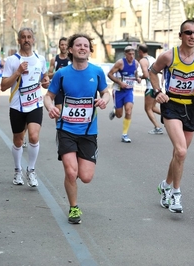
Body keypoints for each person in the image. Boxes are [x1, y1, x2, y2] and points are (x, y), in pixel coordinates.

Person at [44, 33, 110, 224]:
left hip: (89, 131)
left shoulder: (97, 72)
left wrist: (103, 100)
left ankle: (72, 175)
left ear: (89, 50)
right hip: (66, 129)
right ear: (71, 49)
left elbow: (106, 93)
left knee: (86, 177)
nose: (83, 48)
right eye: (78, 45)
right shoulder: (61, 74)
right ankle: (74, 208)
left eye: (86, 45)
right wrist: (50, 108)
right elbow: (48, 96)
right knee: (71, 172)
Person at [149, 20, 194, 213]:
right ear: (180, 35)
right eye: (188, 33)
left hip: (191, 107)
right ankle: (176, 193)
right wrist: (158, 91)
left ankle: (166, 186)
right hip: (172, 105)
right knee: (182, 151)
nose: (192, 36)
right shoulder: (169, 56)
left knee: (179, 153)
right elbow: (152, 72)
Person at [1, 27, 50, 187]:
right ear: (19, 40)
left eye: (29, 37)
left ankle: (31, 170)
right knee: (18, 140)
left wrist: (46, 81)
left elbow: (44, 78)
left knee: (34, 137)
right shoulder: (12, 61)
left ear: (33, 40)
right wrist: (18, 72)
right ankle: (17, 171)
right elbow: (3, 86)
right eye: (23, 37)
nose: (27, 40)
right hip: (17, 107)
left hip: (35, 104)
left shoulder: (40, 59)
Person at [107, 45, 141, 143]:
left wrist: (137, 78)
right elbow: (109, 74)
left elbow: (135, 73)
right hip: (118, 91)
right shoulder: (120, 63)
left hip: (129, 91)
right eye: (129, 54)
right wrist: (120, 83)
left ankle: (125, 134)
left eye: (133, 54)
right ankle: (115, 111)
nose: (131, 56)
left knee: (129, 111)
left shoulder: (136, 63)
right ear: (125, 54)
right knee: (119, 115)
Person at [137, 44, 163, 135]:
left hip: (150, 87)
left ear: (140, 51)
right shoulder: (152, 59)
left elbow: (146, 75)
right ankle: (168, 117)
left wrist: (140, 77)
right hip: (157, 86)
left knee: (147, 109)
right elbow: (159, 71)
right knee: (153, 107)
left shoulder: (143, 60)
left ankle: (158, 127)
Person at [47, 37, 70, 118]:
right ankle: (59, 129)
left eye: (65, 45)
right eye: (62, 45)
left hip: (69, 88)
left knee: (68, 110)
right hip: (59, 89)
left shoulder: (72, 59)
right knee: (58, 110)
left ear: (68, 46)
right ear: (59, 46)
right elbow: (48, 75)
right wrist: (57, 73)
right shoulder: (54, 60)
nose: (64, 46)